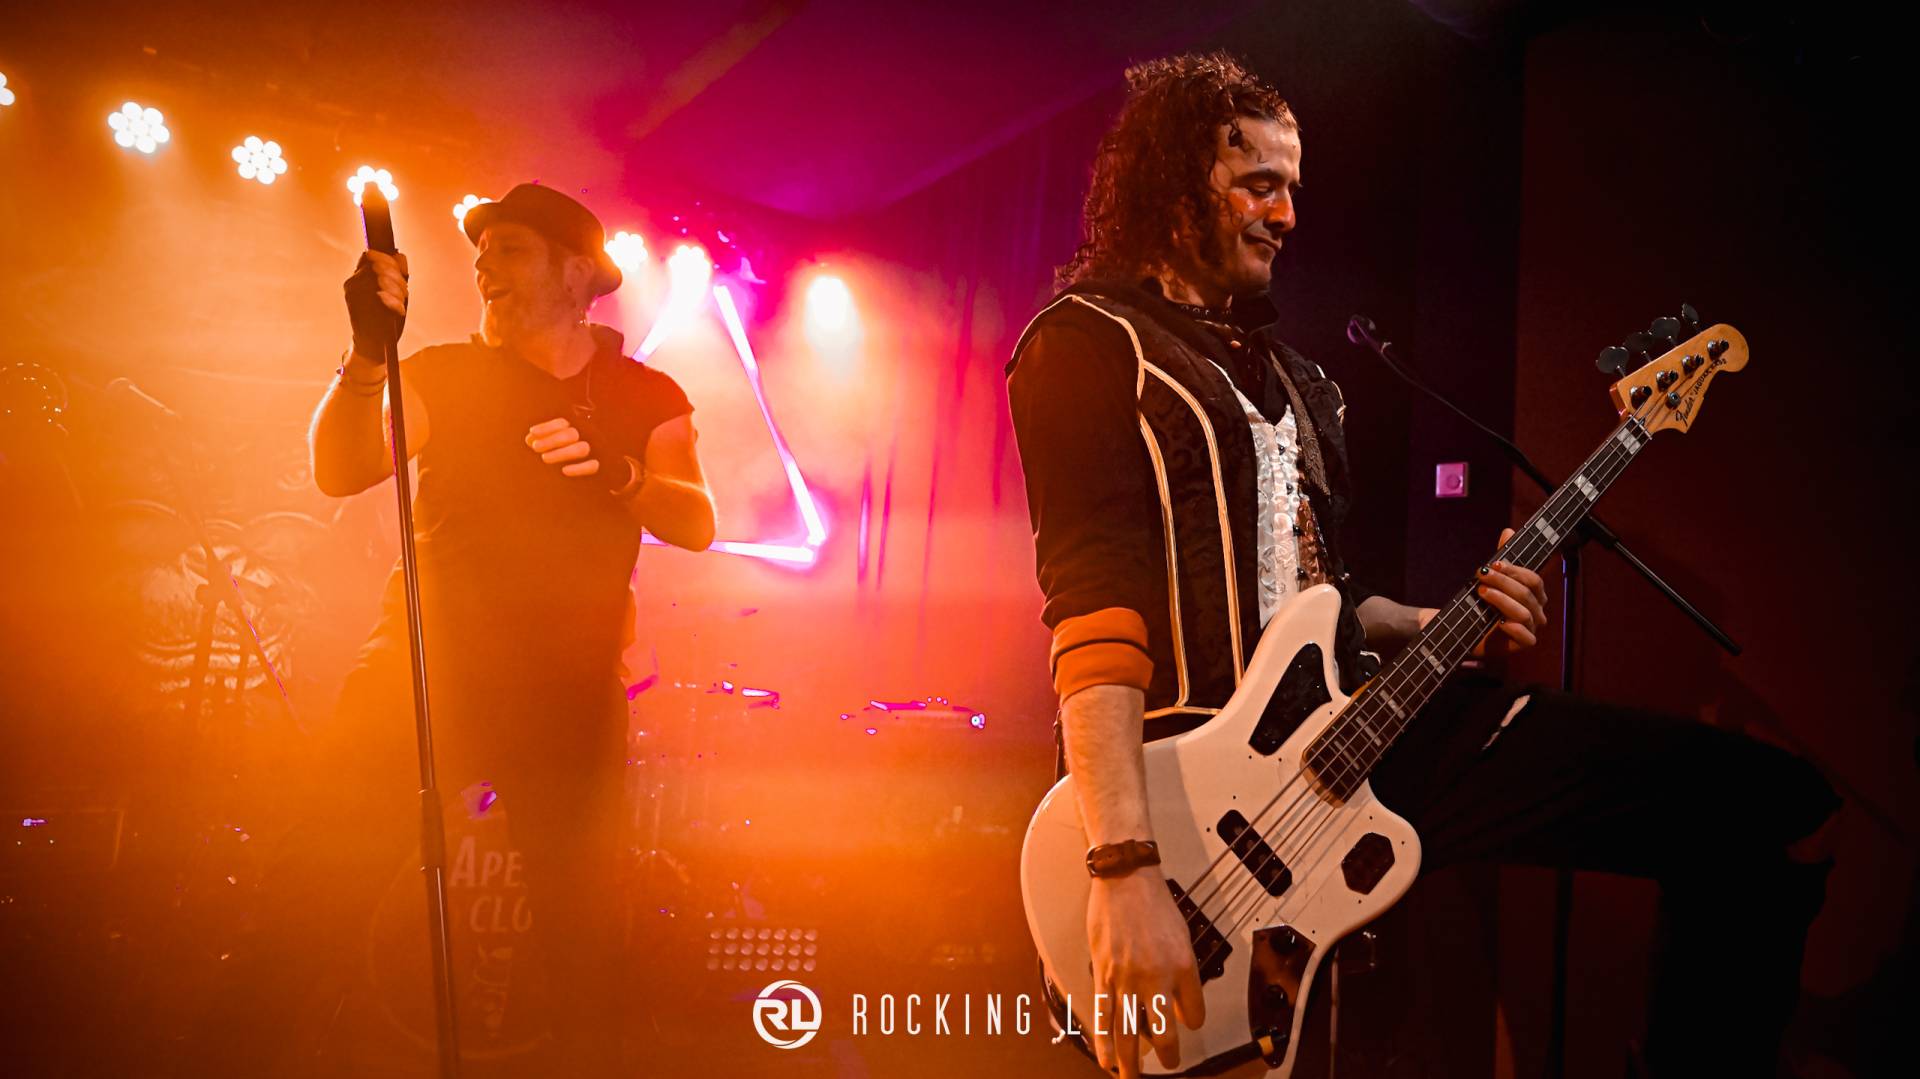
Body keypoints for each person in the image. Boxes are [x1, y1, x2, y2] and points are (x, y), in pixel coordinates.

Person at [1005, 53, 1837, 1079]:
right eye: (1260, 184)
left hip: (1349, 741)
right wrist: (1124, 863)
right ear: (1176, 186)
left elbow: (1321, 604)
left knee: (1758, 811)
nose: (1287, 215)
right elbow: (1094, 613)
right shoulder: (1087, 344)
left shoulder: (1304, 381)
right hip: (1193, 801)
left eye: (1293, 188)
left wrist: (1439, 621)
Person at [198, 183, 715, 1077]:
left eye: (510, 249)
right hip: (427, 668)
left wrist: (621, 474)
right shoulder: (445, 372)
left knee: (581, 935)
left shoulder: (646, 392)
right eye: (479, 255)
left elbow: (696, 519)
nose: (484, 268)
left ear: (576, 272)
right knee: (317, 880)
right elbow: (341, 468)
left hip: (570, 691)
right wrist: (368, 357)